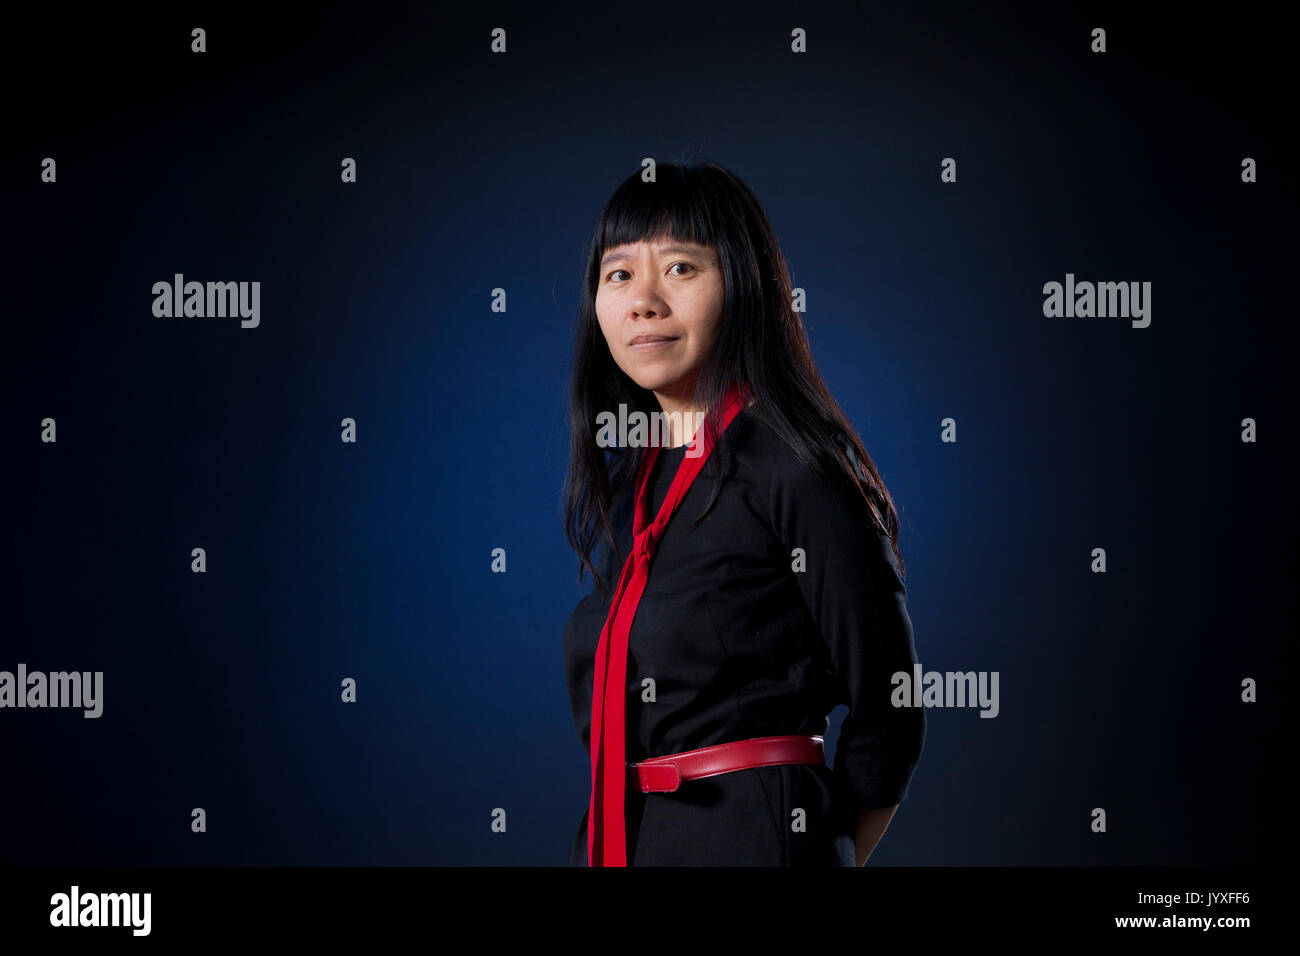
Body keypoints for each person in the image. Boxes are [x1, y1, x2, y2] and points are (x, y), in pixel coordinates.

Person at [561, 160, 924, 866]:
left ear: (744, 285)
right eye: (618, 274)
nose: (644, 301)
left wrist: (822, 849)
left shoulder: (794, 467)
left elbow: (892, 709)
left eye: (681, 269)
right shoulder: (636, 485)